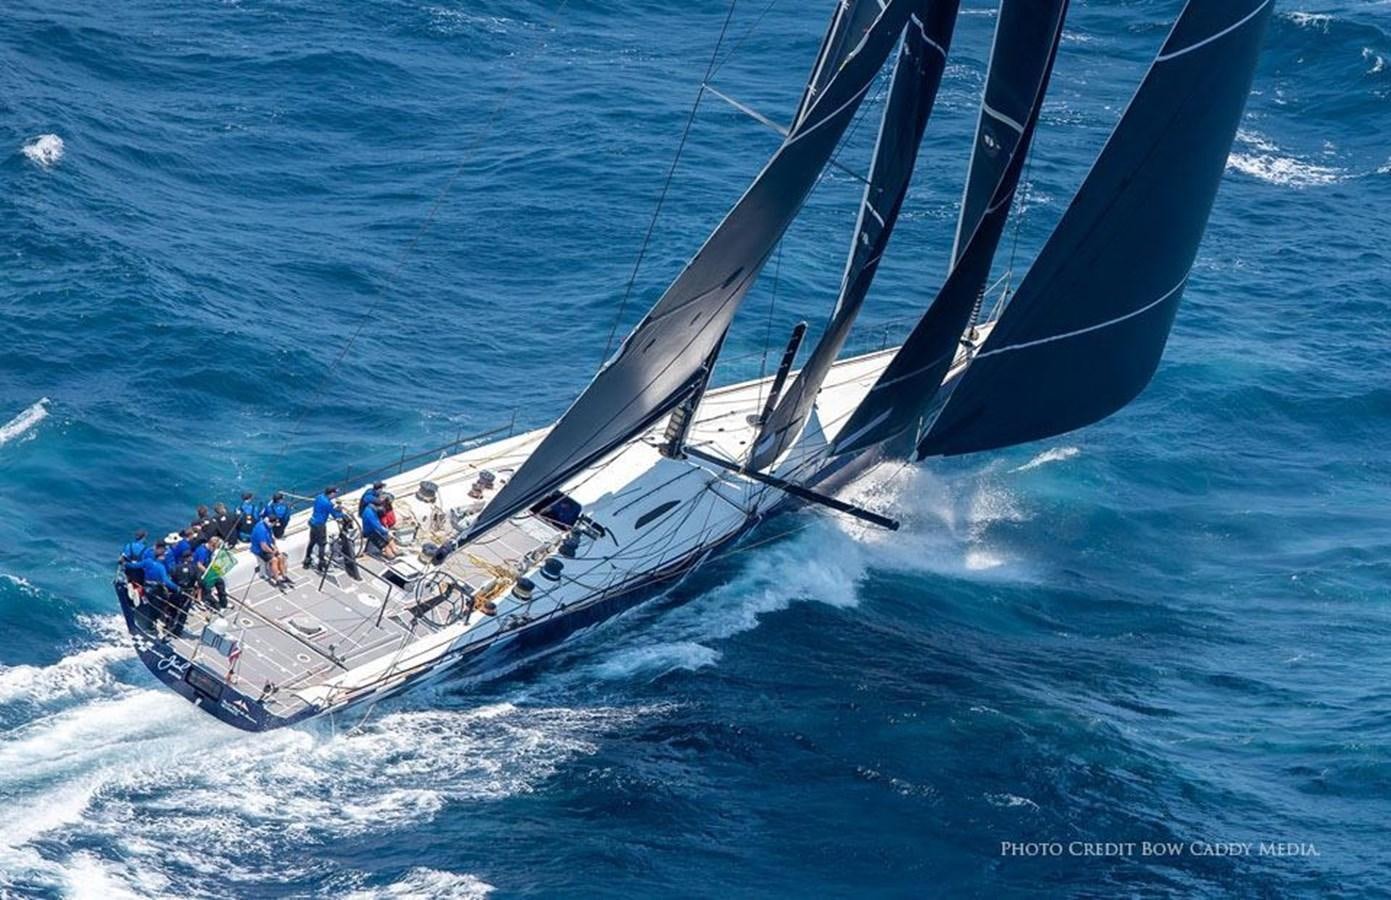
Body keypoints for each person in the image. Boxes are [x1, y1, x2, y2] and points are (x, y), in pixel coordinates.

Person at [304, 486, 344, 571]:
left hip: (313, 522)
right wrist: (340, 511)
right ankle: (321, 564)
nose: (335, 495)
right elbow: (335, 515)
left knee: (312, 542)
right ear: (331, 493)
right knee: (322, 544)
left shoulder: (319, 497)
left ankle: (306, 561)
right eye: (335, 493)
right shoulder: (328, 504)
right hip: (320, 525)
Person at [250, 513, 290, 586]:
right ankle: (277, 579)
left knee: (281, 557)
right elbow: (263, 547)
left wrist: (275, 547)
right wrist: (272, 552)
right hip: (259, 550)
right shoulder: (261, 530)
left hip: (267, 546)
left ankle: (284, 576)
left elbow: (272, 537)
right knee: (274, 560)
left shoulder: (268, 525)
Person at [194, 535, 229, 609]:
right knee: (206, 585)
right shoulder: (202, 551)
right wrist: (208, 572)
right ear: (211, 545)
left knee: (220, 582)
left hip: (207, 570)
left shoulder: (209, 551)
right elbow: (199, 565)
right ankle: (205, 600)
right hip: (198, 571)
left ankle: (223, 602)